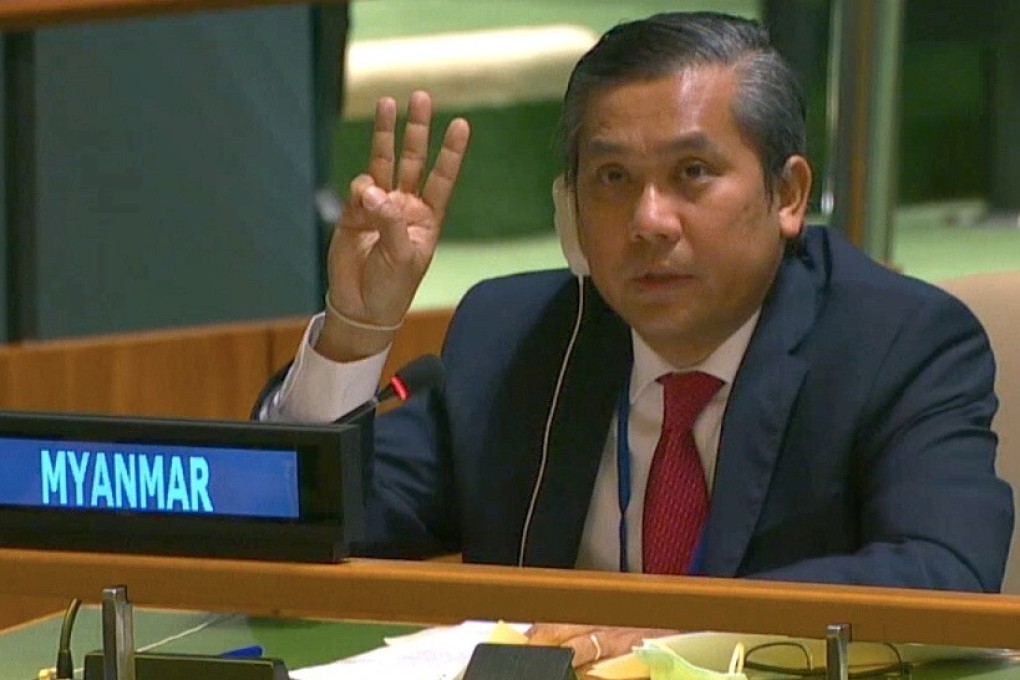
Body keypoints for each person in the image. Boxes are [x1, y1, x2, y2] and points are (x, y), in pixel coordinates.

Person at [256, 10, 1013, 668]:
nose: (649, 220)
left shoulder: (896, 342)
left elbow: (942, 572)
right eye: (612, 179)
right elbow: (307, 528)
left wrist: (676, 621)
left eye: (692, 172)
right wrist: (357, 329)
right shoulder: (516, 337)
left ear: (787, 195)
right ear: (572, 206)